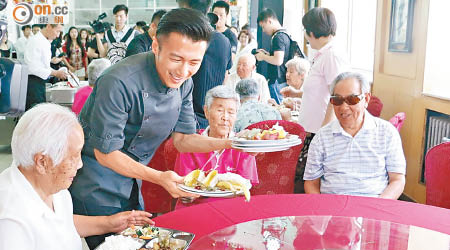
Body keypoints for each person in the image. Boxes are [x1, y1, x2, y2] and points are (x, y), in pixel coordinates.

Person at [69, 8, 234, 249]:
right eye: (176, 59)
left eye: (194, 62)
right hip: (98, 183)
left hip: (134, 181)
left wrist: (233, 143)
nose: (183, 71)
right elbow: (106, 154)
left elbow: (184, 139)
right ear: (155, 46)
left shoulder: (184, 83)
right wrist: (160, 178)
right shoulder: (118, 82)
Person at [0, 103, 154, 250]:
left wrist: (108, 223)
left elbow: (59, 224)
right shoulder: (11, 221)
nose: (80, 164)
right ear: (42, 162)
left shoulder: (47, 183)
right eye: (73, 157)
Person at [303, 72, 406, 199]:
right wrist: (323, 209)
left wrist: (378, 206)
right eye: (337, 100)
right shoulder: (321, 137)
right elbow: (311, 183)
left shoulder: (387, 133)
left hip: (374, 206)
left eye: (352, 99)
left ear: (366, 99)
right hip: (333, 209)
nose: (344, 107)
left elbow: (397, 180)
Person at [174, 85, 258, 205]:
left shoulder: (243, 145)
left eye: (231, 112)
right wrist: (186, 195)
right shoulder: (190, 143)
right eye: (220, 110)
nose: (225, 117)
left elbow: (246, 186)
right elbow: (183, 184)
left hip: (232, 207)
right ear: (206, 112)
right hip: (196, 207)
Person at [295, 8, 350, 189]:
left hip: (320, 132)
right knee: (305, 181)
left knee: (308, 182)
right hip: (312, 130)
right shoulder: (323, 55)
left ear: (311, 31)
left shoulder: (331, 56)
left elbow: (338, 96)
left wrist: (324, 133)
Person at [177, 0, 233, 129]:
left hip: (187, 115)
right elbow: (225, 77)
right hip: (213, 115)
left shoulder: (187, 38)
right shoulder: (224, 41)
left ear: (187, 9)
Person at [24, 24, 68, 110]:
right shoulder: (35, 41)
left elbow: (44, 66)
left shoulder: (44, 41)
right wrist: (55, 73)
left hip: (40, 82)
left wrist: (58, 72)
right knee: (35, 113)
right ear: (48, 26)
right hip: (33, 83)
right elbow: (32, 67)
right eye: (57, 31)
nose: (58, 35)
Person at [255, 8, 291, 104]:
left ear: (269, 21)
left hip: (277, 81)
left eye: (263, 26)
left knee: (279, 108)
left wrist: (262, 57)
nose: (263, 30)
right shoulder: (285, 34)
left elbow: (278, 60)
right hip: (282, 79)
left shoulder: (278, 37)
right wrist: (266, 54)